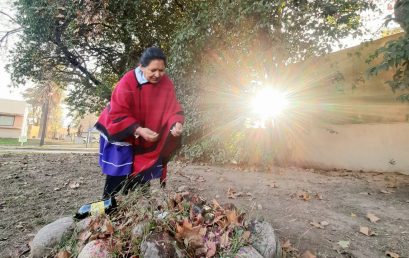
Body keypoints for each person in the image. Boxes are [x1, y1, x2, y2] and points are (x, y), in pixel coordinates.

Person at [95, 47, 184, 198]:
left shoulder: (166, 83)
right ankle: (110, 207)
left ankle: (139, 206)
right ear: (142, 67)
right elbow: (118, 111)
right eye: (153, 70)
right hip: (120, 128)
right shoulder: (127, 81)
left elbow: (173, 108)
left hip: (146, 131)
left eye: (161, 70)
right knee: (119, 170)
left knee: (142, 168)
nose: (158, 74)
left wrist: (176, 123)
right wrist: (138, 130)